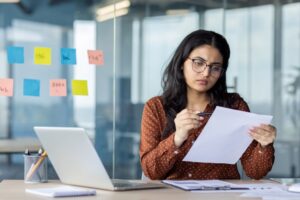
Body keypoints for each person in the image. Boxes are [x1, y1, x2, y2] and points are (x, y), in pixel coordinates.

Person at [139, 29, 276, 180]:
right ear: (181, 63)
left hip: (222, 195)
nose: (206, 73)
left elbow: (255, 172)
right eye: (198, 63)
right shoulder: (156, 107)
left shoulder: (234, 106)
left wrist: (264, 145)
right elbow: (150, 171)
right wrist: (177, 138)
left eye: (215, 67)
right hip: (174, 196)